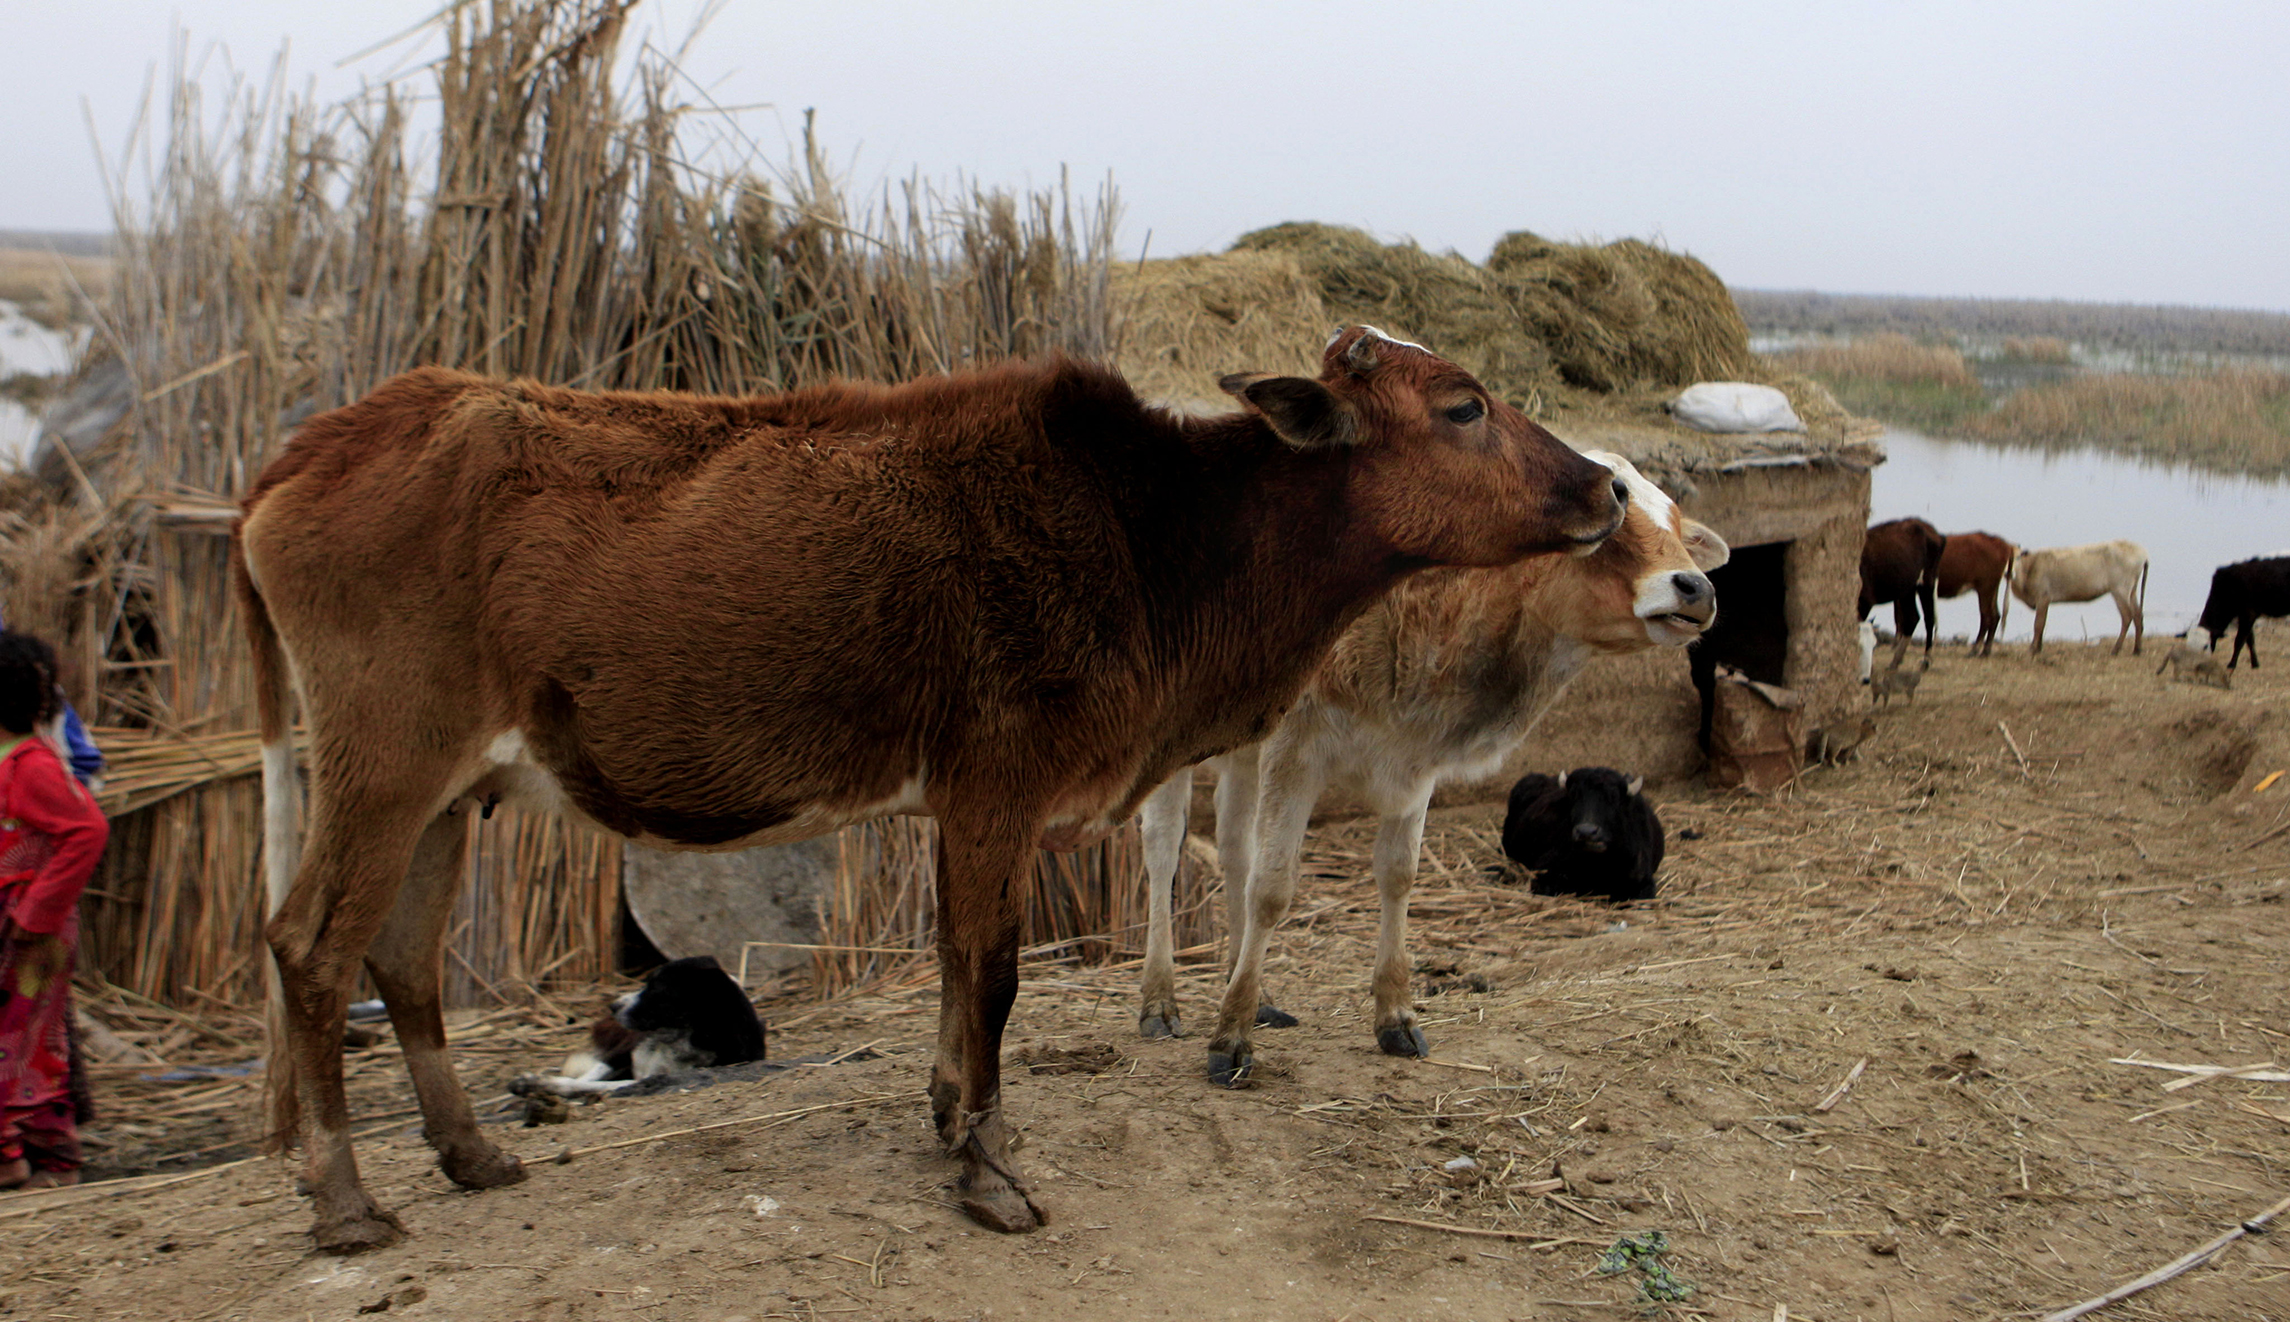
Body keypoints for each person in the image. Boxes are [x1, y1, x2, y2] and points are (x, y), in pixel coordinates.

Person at [0, 631, 109, 1188]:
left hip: (26, 928)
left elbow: (87, 831)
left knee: (20, 1041)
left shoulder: (30, 766)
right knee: (30, 1041)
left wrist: (36, 913)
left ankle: (15, 1162)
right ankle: (50, 1160)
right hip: (18, 922)